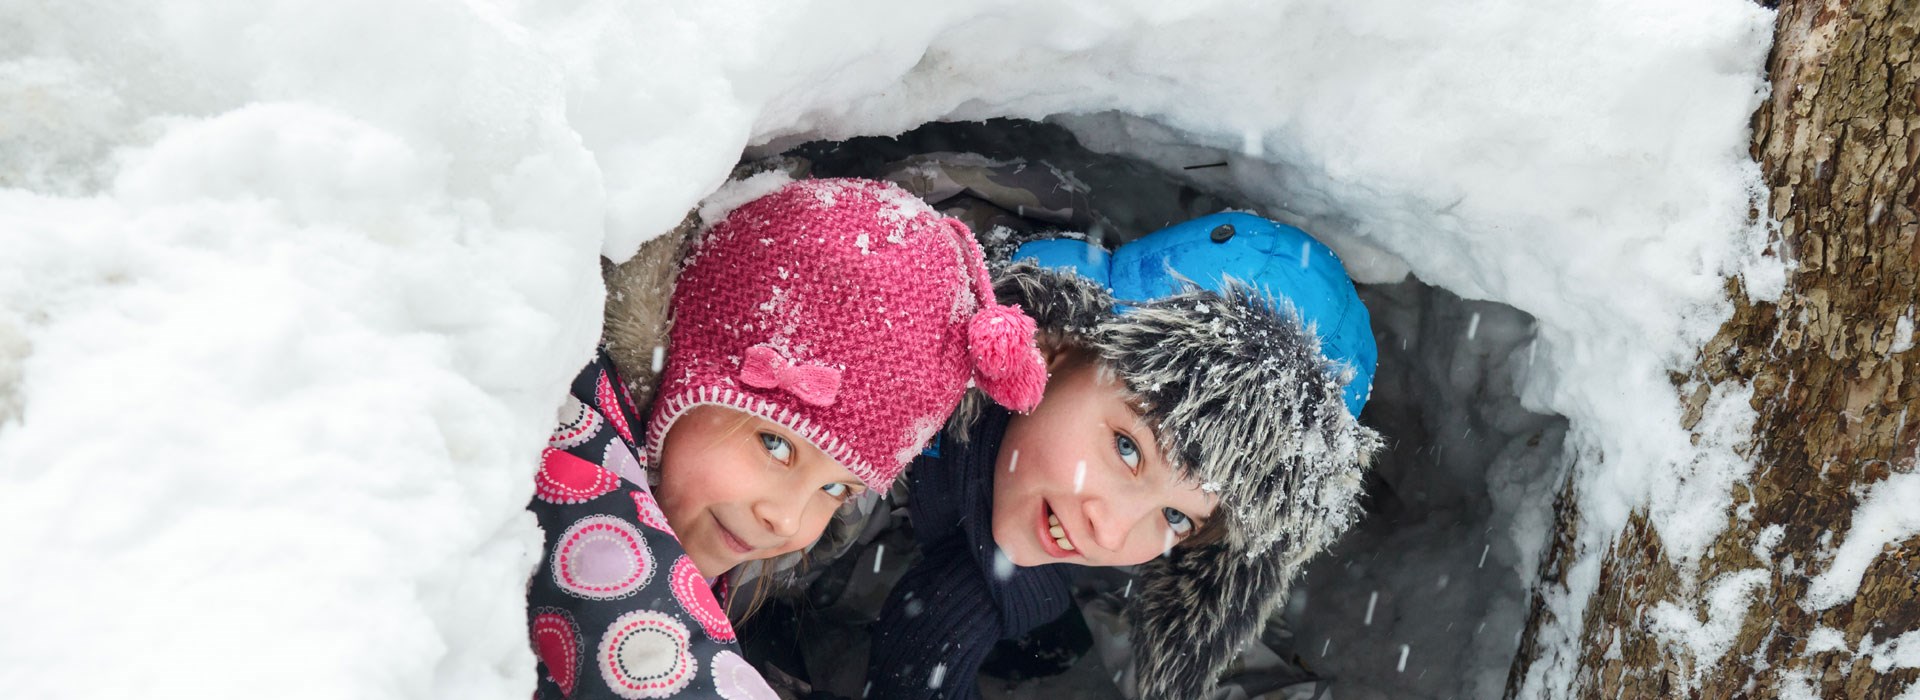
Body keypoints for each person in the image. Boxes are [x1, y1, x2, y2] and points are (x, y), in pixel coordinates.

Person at [525, 177, 1046, 699]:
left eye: (836, 490)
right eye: (776, 445)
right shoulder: (573, 440)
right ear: (688, 372)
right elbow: (649, 656)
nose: (789, 521)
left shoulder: (693, 495)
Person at [861, 203, 1383, 699]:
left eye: (1178, 517)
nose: (1111, 534)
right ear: (1056, 345)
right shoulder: (862, 386)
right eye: (1129, 450)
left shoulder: (1078, 503)